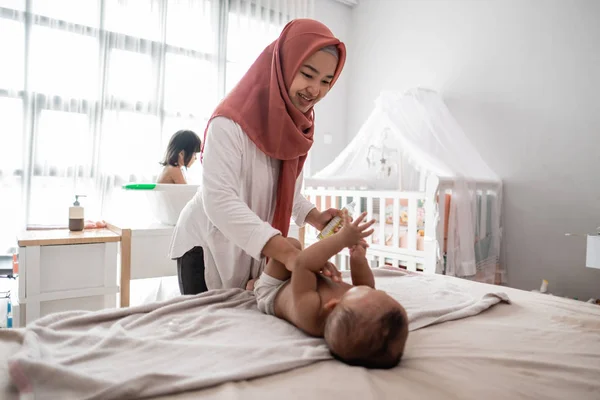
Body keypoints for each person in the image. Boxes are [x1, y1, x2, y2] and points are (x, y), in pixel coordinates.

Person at [169, 19, 347, 295]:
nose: (315, 90)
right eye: (308, 74)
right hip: (206, 246)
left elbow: (282, 192)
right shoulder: (228, 123)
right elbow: (219, 200)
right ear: (284, 66)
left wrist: (315, 217)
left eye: (326, 81)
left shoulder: (296, 129)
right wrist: (283, 251)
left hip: (251, 245)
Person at [253, 211, 409, 369]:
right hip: (304, 282)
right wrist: (358, 260)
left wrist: (341, 240)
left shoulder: (310, 314)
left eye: (373, 292)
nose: (375, 290)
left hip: (276, 287)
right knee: (294, 250)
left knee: (292, 245)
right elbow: (365, 284)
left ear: (333, 305)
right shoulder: (352, 307)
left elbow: (302, 264)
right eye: (381, 293)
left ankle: (256, 284)